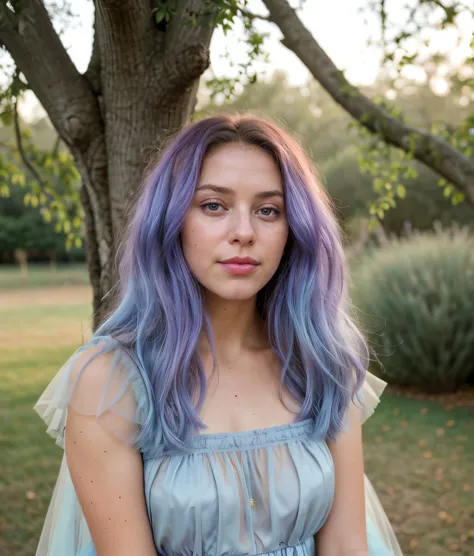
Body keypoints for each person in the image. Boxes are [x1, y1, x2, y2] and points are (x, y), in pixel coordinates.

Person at [34, 114, 403, 556]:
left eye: (269, 210)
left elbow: (346, 546)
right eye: (213, 205)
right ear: (171, 222)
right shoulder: (110, 382)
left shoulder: (322, 364)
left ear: (294, 230)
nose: (244, 233)